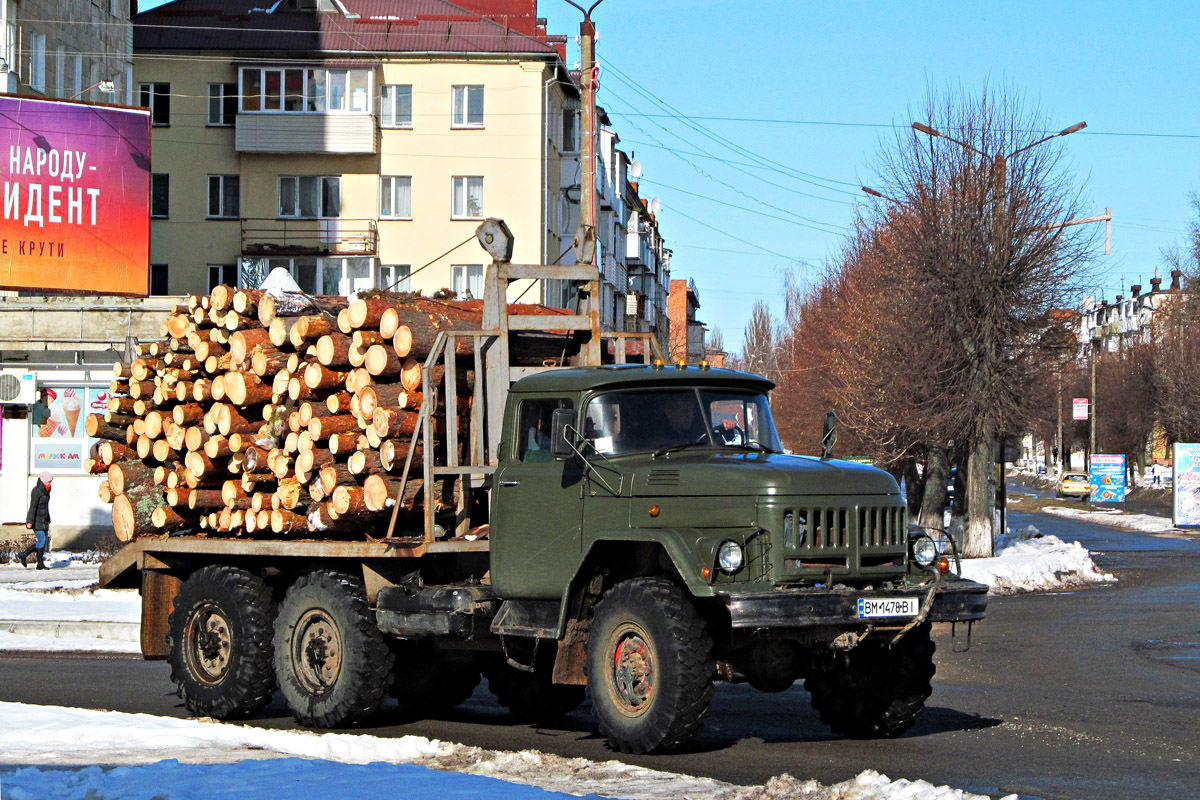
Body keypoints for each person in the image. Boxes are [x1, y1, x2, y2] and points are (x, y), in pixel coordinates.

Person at [18, 471, 53, 570]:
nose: (50, 483)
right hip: (36, 520)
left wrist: (48, 518)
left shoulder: (46, 491)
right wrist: (29, 521)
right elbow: (33, 507)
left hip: (44, 520)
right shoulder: (37, 491)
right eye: (48, 481)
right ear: (43, 481)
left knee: (44, 541)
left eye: (50, 482)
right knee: (41, 541)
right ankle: (24, 554)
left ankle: (40, 564)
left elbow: (46, 507)